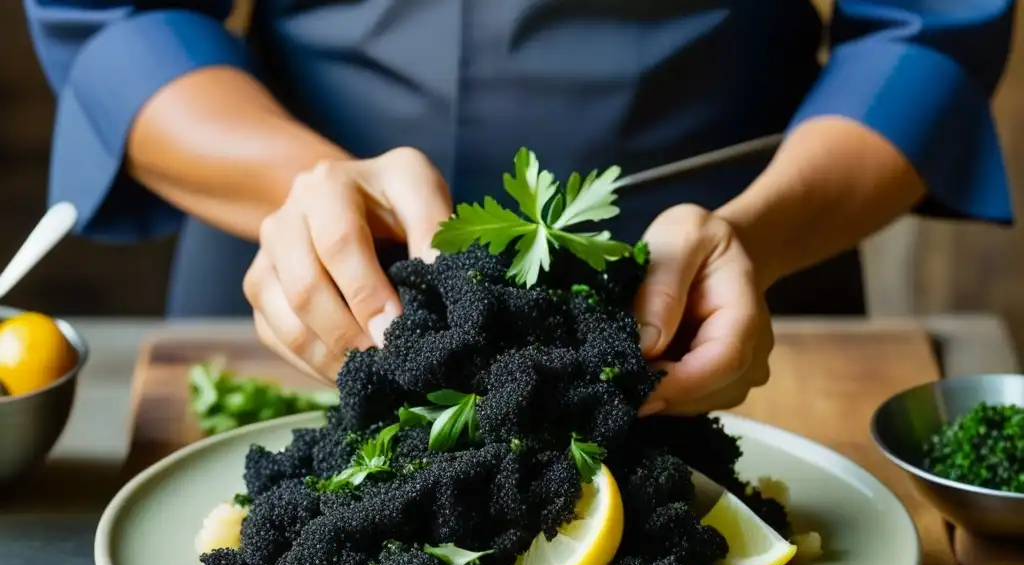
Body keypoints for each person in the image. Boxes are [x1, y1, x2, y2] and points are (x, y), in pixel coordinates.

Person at [22, 1, 1016, 415]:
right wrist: (298, 186)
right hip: (309, 261)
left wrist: (756, 231)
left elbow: (925, 29)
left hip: (728, 281)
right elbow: (115, 20)